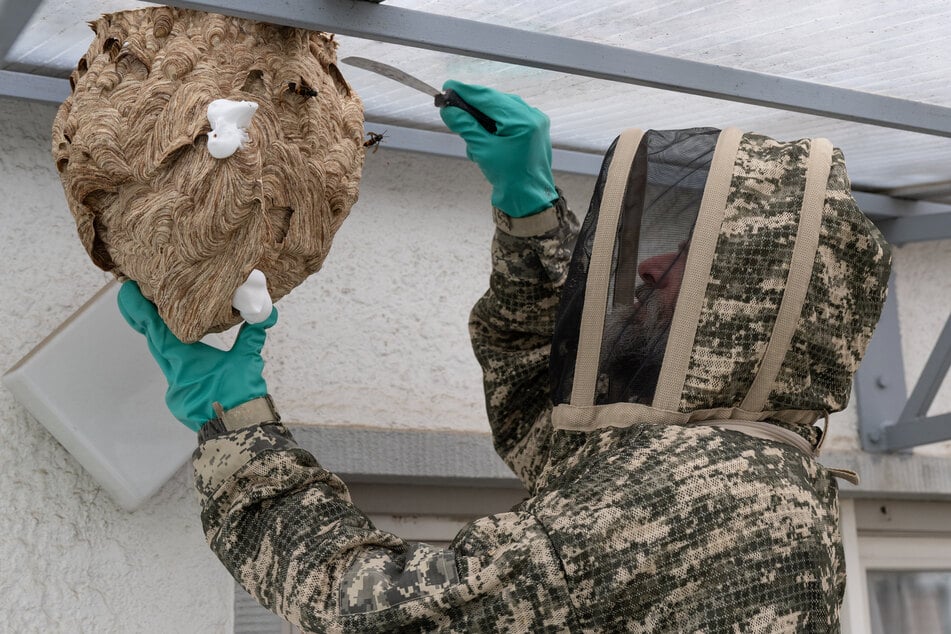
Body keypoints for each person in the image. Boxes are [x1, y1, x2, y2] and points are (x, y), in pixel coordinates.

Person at [119, 81, 892, 632]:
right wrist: (529, 216)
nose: (650, 266)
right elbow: (541, 417)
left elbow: (371, 610)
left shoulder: (709, 489)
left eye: (684, 256)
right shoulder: (737, 463)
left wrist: (237, 426)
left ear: (741, 302)